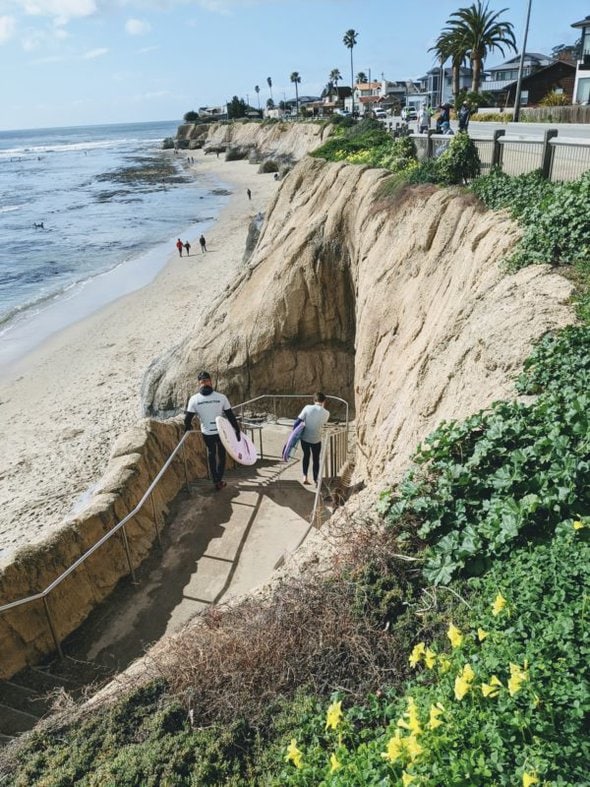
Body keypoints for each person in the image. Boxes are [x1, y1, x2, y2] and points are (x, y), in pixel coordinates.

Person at [184, 371, 241, 490]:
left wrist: (187, 427)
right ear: (211, 382)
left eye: (205, 381)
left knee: (211, 453)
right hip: (221, 432)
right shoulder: (221, 397)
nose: (205, 383)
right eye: (205, 381)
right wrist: (236, 429)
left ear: (199, 383)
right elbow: (230, 415)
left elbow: (188, 418)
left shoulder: (194, 399)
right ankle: (218, 479)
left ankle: (216, 479)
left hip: (207, 432)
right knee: (221, 455)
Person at [293, 392, 330, 486]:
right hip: (316, 439)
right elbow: (322, 423)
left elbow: (297, 421)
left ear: (314, 400)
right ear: (324, 401)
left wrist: (293, 436)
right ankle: (316, 479)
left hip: (305, 437)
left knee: (306, 456)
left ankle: (305, 476)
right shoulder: (326, 413)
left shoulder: (307, 408)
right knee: (316, 459)